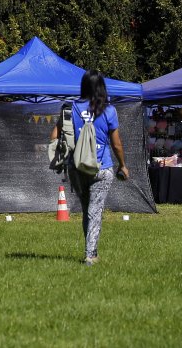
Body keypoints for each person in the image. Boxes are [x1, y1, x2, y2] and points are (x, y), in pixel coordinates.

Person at [53, 70, 129, 267]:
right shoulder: (109, 110)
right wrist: (122, 165)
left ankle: (90, 250)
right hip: (101, 167)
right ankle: (90, 254)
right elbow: (116, 144)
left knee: (87, 209)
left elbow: (55, 135)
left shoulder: (70, 108)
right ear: (101, 87)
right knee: (95, 211)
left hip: (77, 167)